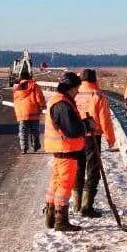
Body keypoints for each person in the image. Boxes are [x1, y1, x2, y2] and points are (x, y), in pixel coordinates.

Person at [44, 72, 95, 232]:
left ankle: (51, 215)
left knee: (56, 182)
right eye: (76, 89)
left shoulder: (58, 100)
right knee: (65, 185)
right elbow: (72, 130)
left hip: (60, 149)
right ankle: (61, 220)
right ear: (70, 88)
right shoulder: (63, 104)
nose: (77, 92)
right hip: (66, 149)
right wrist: (87, 125)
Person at [74, 68, 116, 217]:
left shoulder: (74, 95)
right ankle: (87, 206)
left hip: (76, 136)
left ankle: (76, 203)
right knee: (92, 170)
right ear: (95, 80)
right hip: (92, 137)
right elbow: (105, 120)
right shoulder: (97, 95)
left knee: (78, 168)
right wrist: (111, 139)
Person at [12, 70, 46, 153]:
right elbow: (39, 98)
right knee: (34, 131)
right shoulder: (34, 86)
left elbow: (16, 100)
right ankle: (35, 146)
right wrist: (42, 105)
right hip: (33, 112)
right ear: (29, 77)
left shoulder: (16, 88)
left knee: (23, 131)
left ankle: (24, 148)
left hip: (22, 113)